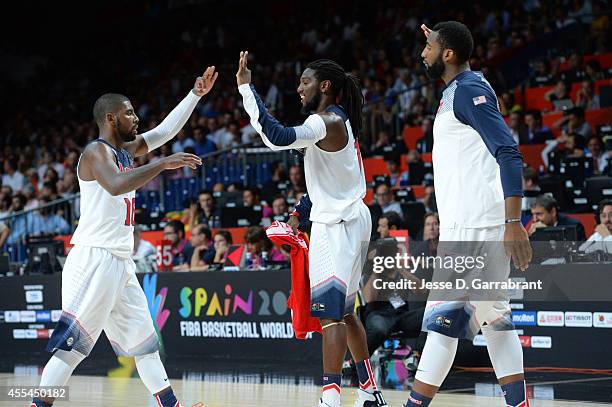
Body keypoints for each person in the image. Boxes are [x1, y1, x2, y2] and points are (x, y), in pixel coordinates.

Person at [31, 66, 216, 407]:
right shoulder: (95, 152)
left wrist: (195, 95)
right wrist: (163, 164)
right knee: (72, 350)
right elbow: (117, 185)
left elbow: (166, 130)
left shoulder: (127, 152)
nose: (136, 117)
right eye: (129, 112)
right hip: (93, 258)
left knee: (144, 344)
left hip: (119, 262)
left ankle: (170, 405)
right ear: (112, 118)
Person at [237, 51, 387, 407]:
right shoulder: (340, 121)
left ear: (324, 86)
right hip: (351, 216)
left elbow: (276, 135)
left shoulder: (325, 121)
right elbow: (328, 181)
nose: (298, 88)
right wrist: (300, 210)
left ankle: (329, 398)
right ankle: (369, 390)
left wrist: (247, 89)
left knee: (331, 316)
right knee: (347, 312)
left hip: (336, 225)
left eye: (305, 81)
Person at [408, 22, 532, 407]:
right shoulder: (457, 92)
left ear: (448, 54)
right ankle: (519, 403)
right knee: (496, 321)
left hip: (475, 227)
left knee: (443, 327)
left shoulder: (469, 90)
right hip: (477, 224)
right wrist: (442, 34)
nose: (421, 53)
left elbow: (509, 153)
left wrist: (514, 223)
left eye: (428, 46)